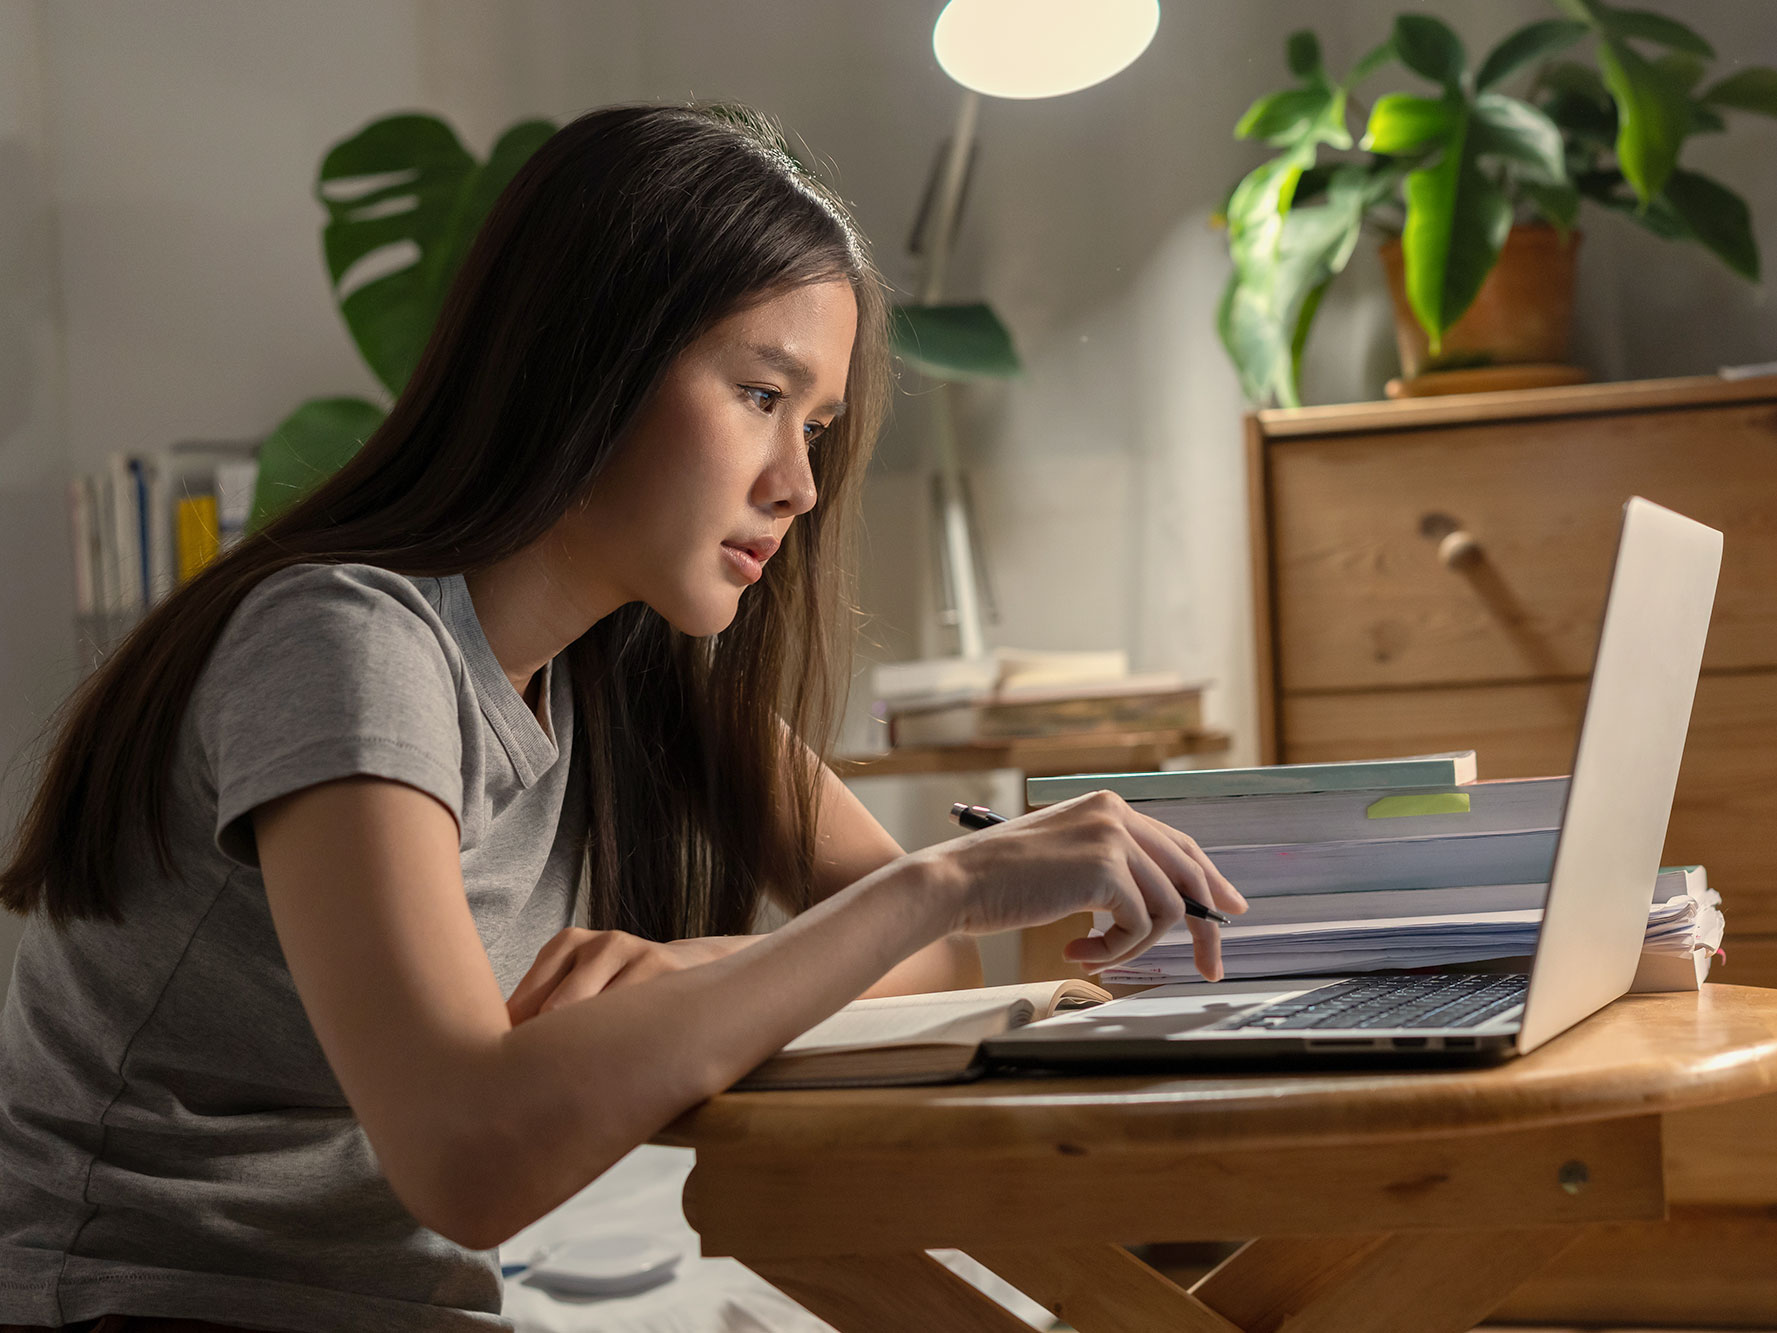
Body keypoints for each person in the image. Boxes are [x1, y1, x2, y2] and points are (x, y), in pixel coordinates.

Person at [0, 103, 1242, 1333]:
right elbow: (467, 1160)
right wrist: (945, 881)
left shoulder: (625, 674)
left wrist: (709, 963)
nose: (798, 484)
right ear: (584, 361)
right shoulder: (348, 643)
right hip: (145, 1301)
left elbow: (929, 964)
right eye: (761, 394)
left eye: (813, 427)